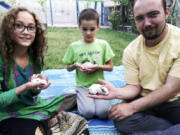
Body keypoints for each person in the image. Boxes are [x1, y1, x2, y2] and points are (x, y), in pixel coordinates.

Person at [88, 0, 180, 134]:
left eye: (153, 14)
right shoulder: (131, 50)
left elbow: (171, 89)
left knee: (127, 111)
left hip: (174, 101)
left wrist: (131, 107)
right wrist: (117, 92)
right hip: (144, 99)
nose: (147, 23)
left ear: (166, 13)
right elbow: (134, 86)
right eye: (140, 18)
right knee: (120, 118)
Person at [0, 7, 76, 135]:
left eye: (31, 27)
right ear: (9, 29)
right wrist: (26, 86)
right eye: (19, 26)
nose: (26, 32)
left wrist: (35, 89)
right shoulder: (1, 59)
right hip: (9, 113)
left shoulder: (36, 57)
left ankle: (43, 123)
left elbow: (31, 96)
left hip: (34, 106)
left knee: (78, 103)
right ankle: (43, 125)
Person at [63, 8, 115, 119]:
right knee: (88, 113)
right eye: (84, 29)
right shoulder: (74, 47)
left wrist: (98, 66)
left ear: (98, 27)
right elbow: (68, 68)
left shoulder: (103, 45)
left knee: (103, 113)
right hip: (83, 86)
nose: (88, 33)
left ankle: (89, 100)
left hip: (99, 85)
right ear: (79, 27)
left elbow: (110, 67)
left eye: (92, 29)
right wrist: (75, 65)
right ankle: (78, 97)